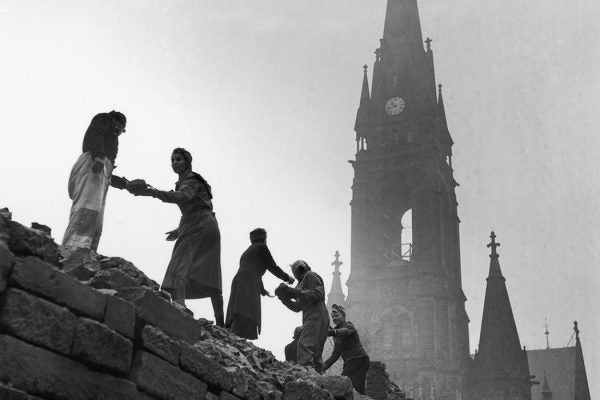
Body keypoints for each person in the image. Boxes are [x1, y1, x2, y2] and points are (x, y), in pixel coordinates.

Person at [131, 148, 224, 325]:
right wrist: (178, 230)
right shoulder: (191, 180)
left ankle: (179, 303)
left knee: (179, 261)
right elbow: (196, 205)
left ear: (187, 162)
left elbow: (183, 197)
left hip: (199, 223)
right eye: (172, 160)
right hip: (206, 223)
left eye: (178, 159)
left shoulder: (190, 180)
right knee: (209, 273)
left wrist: (153, 191)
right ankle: (221, 323)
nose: (174, 163)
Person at [62, 110, 127, 251]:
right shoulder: (105, 119)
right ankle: (72, 250)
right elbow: (95, 133)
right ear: (118, 124)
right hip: (93, 164)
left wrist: (125, 184)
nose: (121, 133)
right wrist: (99, 156)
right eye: (122, 130)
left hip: (101, 171)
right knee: (86, 210)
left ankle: (86, 252)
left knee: (95, 216)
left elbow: (108, 173)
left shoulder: (111, 137)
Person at [225, 228, 295, 339]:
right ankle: (237, 337)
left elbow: (254, 268)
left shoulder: (249, 250)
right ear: (263, 238)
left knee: (238, 307)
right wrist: (287, 278)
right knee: (245, 310)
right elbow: (272, 266)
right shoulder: (261, 247)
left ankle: (234, 336)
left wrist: (262, 290)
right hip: (249, 280)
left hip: (241, 279)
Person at [275, 260, 329, 373]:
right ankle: (318, 377)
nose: (296, 271)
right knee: (315, 351)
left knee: (305, 345)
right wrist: (284, 298)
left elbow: (318, 293)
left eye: (297, 268)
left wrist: (295, 292)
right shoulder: (300, 285)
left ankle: (307, 373)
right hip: (313, 316)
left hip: (317, 314)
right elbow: (296, 307)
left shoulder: (310, 275)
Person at [323, 304, 370, 395]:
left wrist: (334, 332)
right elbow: (335, 355)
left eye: (337, 315)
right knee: (358, 390)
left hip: (358, 359)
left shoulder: (348, 325)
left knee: (344, 384)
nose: (334, 318)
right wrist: (324, 366)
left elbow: (345, 332)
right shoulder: (336, 335)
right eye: (333, 317)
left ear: (343, 316)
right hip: (351, 361)